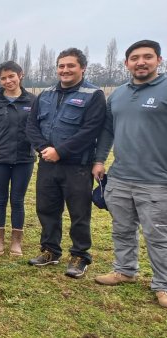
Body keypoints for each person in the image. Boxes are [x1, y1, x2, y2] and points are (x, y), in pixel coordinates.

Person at [92, 40, 167, 307]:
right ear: (126, 64)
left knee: (158, 235)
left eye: (147, 57)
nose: (141, 62)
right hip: (121, 176)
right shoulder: (119, 94)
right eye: (135, 58)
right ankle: (125, 270)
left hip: (157, 180)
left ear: (158, 60)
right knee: (122, 228)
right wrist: (100, 160)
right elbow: (107, 131)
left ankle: (163, 284)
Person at [25, 48, 106, 278]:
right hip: (48, 164)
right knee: (46, 208)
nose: (65, 70)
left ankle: (80, 255)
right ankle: (50, 250)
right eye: (61, 66)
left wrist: (60, 151)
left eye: (71, 65)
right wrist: (44, 149)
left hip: (77, 166)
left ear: (82, 68)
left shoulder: (94, 95)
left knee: (79, 212)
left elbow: (90, 130)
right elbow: (31, 126)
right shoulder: (45, 94)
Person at [0, 61, 37, 257]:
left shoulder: (32, 101)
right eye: (3, 78)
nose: (8, 81)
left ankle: (16, 240)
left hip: (24, 159)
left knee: (18, 200)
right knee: (0, 199)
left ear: (20, 75)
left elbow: (37, 128)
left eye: (11, 76)